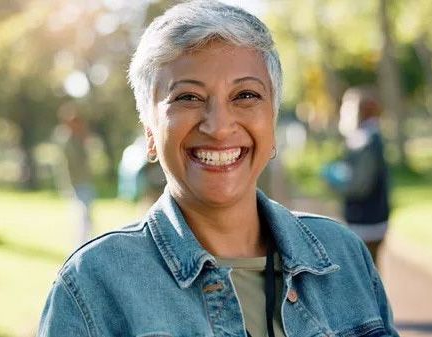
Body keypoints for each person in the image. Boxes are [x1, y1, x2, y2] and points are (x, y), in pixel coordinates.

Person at [38, 2, 398, 336]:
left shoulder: (345, 256)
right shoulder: (91, 286)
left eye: (245, 95)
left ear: (271, 123)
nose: (219, 126)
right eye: (188, 97)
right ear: (150, 132)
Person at [322, 86, 390, 267]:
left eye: (347, 108)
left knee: (363, 278)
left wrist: (335, 180)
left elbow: (360, 184)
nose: (343, 114)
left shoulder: (363, 140)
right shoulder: (368, 137)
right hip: (372, 218)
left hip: (366, 221)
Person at [53, 105, 96, 246]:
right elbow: (67, 166)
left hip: (85, 181)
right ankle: (81, 245)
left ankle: (87, 243)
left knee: (87, 216)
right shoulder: (66, 141)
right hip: (76, 184)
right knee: (81, 216)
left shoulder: (80, 139)